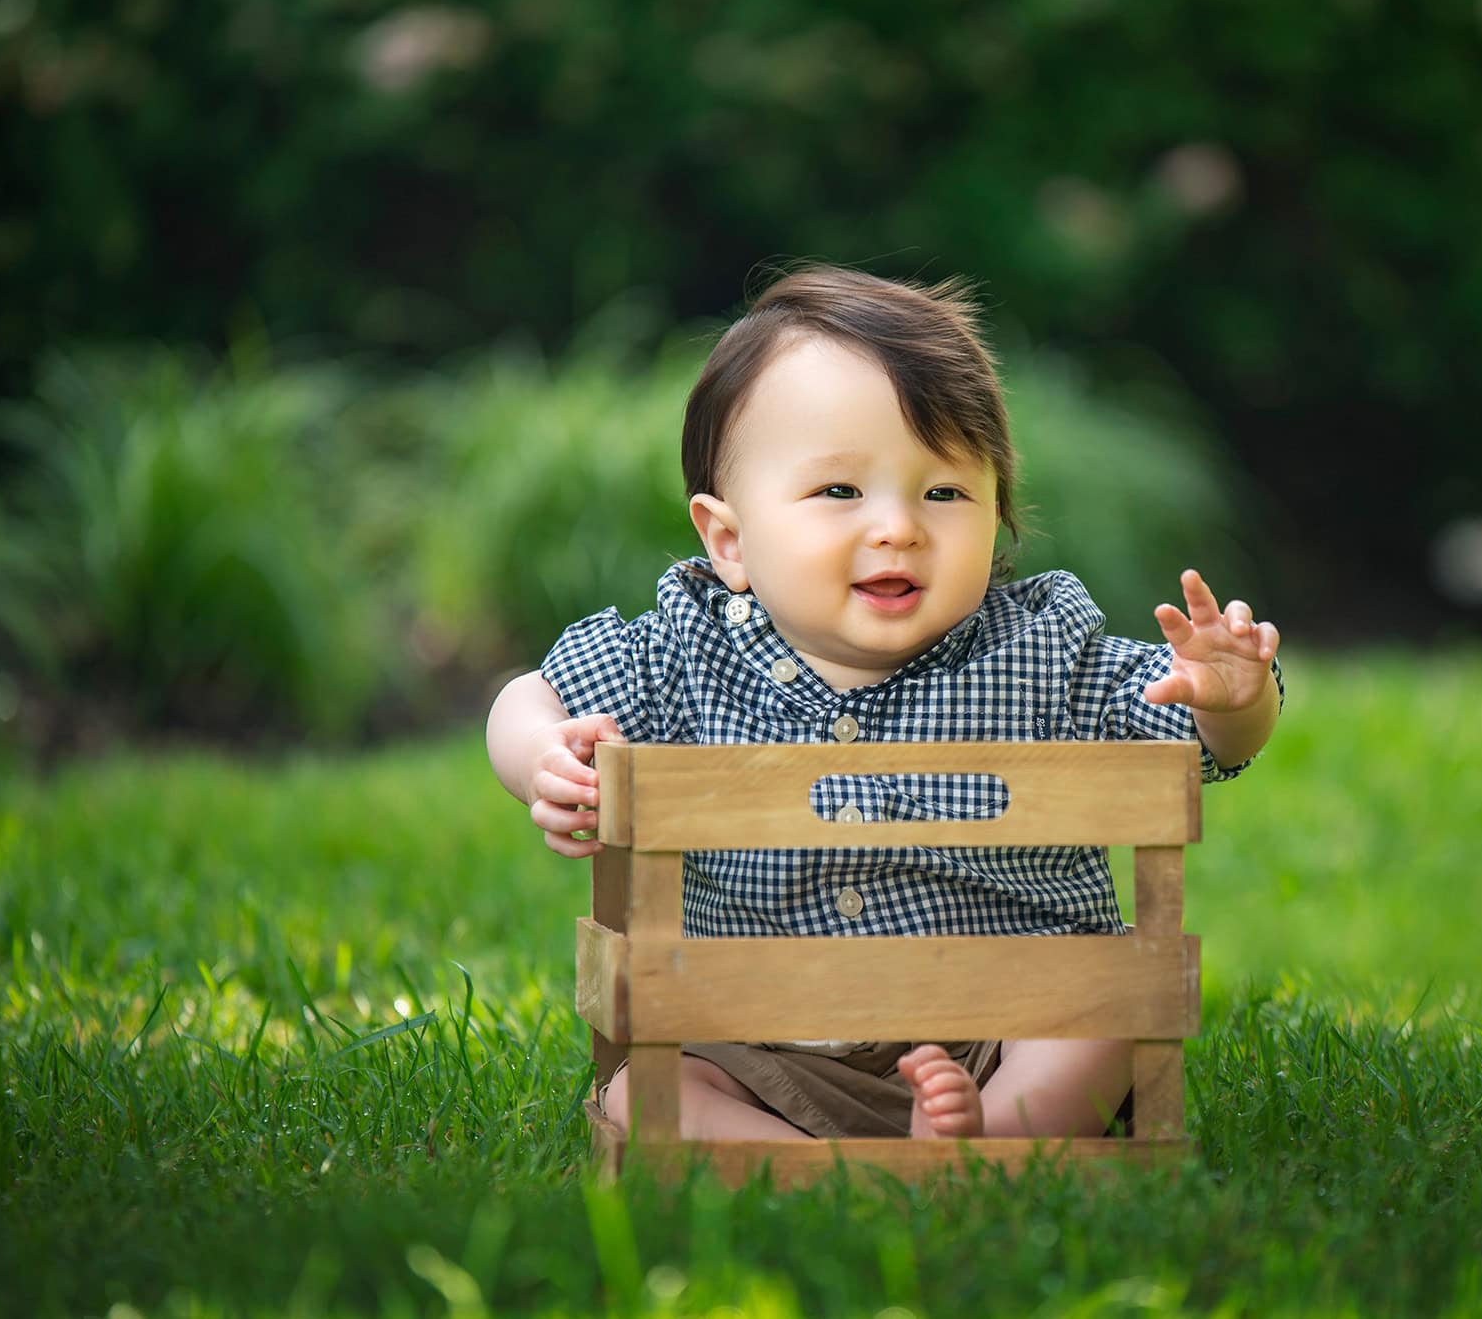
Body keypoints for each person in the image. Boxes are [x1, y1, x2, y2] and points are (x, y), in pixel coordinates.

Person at [486, 263, 1283, 1142]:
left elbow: (1213, 746)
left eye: (944, 491)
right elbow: (533, 695)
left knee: (1111, 1011)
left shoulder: (1043, 652)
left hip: (1005, 1030)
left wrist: (1232, 696)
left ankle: (996, 1135)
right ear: (730, 539)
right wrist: (542, 754)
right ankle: (817, 1169)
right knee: (649, 1094)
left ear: (997, 516)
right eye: (840, 491)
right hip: (767, 1041)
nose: (899, 525)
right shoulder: (684, 650)